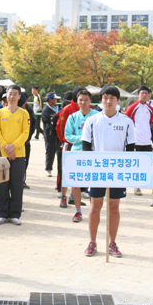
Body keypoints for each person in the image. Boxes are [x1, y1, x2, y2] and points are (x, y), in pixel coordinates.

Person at [81, 86, 135, 258]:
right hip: (97, 169)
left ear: (118, 100)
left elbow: (131, 147)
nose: (108, 101)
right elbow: (86, 145)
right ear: (101, 100)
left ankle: (112, 242)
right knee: (95, 205)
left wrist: (124, 167)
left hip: (117, 170)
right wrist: (93, 166)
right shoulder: (92, 120)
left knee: (114, 206)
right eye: (105, 98)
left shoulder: (126, 121)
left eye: (112, 98)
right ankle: (92, 242)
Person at [0, 85, 30, 225]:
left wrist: (13, 146)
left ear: (19, 96)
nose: (12, 96)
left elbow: (25, 133)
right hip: (3, 155)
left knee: (16, 184)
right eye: (10, 94)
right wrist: (6, 148)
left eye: (15, 94)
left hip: (19, 154)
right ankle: (2, 213)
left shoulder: (24, 114)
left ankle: (15, 214)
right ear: (6, 96)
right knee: (2, 185)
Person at [65, 89, 98, 222]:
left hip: (93, 153)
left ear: (90, 101)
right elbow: (67, 136)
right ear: (77, 101)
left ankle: (93, 211)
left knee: (93, 184)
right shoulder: (72, 117)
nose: (83, 102)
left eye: (86, 100)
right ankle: (78, 211)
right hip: (76, 153)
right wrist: (83, 138)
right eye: (81, 100)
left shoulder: (97, 115)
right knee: (76, 184)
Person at [125, 85, 153, 196]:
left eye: (146, 93)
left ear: (148, 95)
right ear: (138, 95)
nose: (144, 95)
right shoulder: (132, 108)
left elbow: (151, 123)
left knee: (150, 163)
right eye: (142, 93)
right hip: (136, 140)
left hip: (147, 140)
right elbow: (126, 122)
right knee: (137, 164)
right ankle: (137, 186)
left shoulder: (150, 109)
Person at [42, 93, 60, 177]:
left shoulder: (55, 108)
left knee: (59, 152)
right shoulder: (46, 110)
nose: (56, 100)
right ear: (50, 100)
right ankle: (48, 169)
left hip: (56, 134)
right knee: (50, 152)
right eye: (55, 99)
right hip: (49, 135)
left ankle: (60, 169)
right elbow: (53, 121)